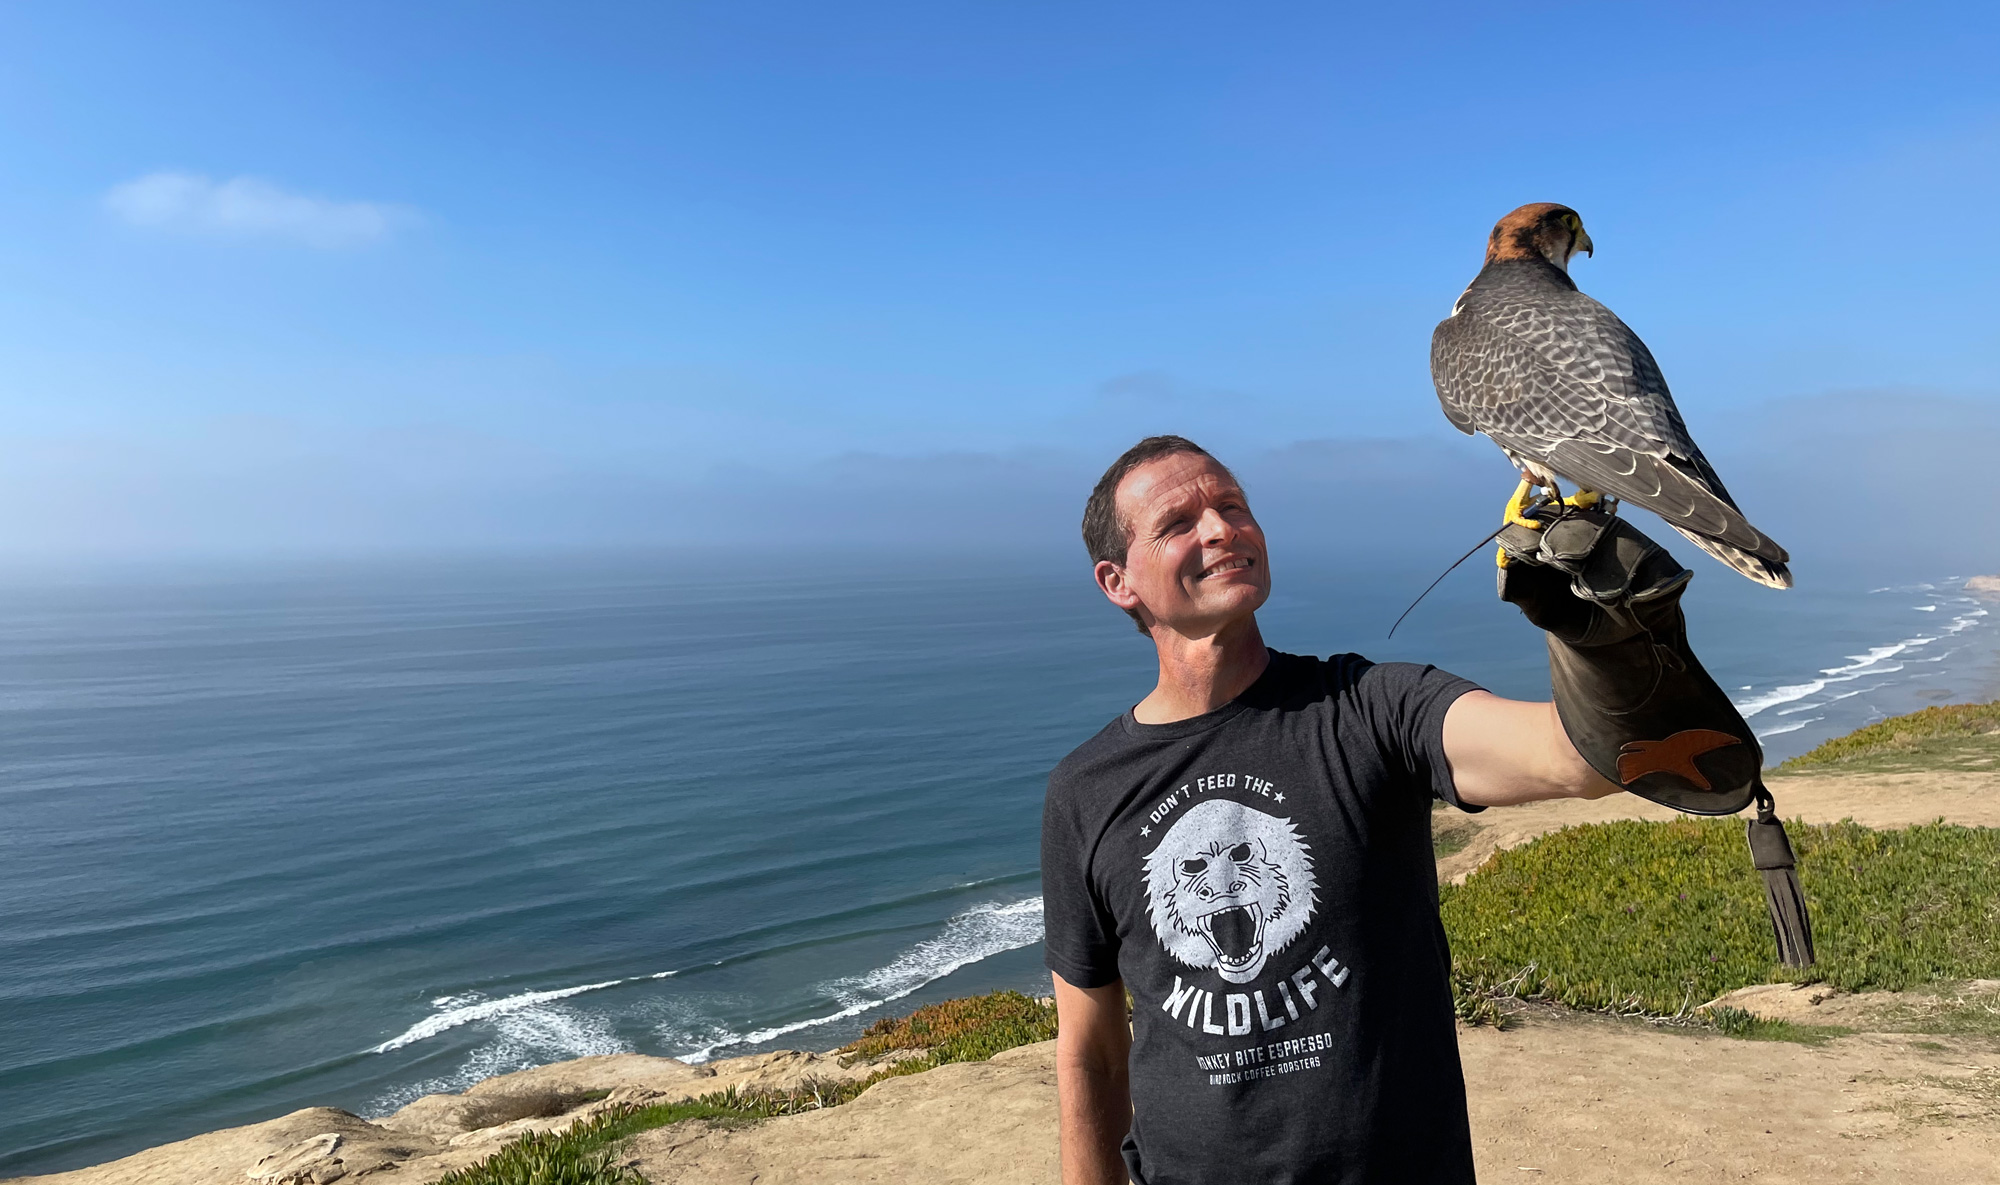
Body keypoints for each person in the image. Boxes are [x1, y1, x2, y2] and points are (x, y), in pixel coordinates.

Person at [1041, 435, 1629, 1185]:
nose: (1222, 529)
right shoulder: (1085, 790)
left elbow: (1574, 757)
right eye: (1179, 523)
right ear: (1117, 581)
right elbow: (1089, 1049)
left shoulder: (1369, 708)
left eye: (1233, 506)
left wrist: (1597, 624)